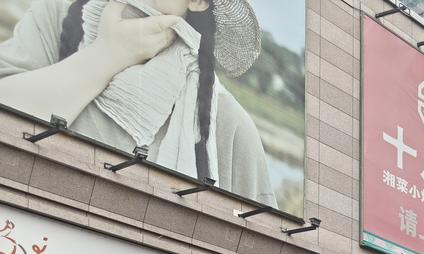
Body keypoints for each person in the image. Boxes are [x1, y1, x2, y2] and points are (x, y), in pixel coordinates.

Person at [0, 0, 278, 208]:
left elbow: (256, 249)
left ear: (198, 1)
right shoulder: (57, 19)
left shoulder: (228, 126)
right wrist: (106, 56)